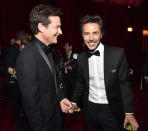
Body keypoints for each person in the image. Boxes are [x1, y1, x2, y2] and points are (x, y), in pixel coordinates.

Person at [71, 15, 139, 131]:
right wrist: (73, 101)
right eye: (86, 33)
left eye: (95, 33)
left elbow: (124, 84)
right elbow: (80, 83)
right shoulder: (81, 58)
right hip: (89, 109)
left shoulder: (118, 54)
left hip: (111, 109)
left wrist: (129, 112)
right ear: (82, 35)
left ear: (101, 34)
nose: (91, 38)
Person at [16, 4, 72, 131]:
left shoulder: (48, 51)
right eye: (57, 27)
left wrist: (60, 99)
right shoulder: (27, 56)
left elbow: (49, 86)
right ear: (41, 26)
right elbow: (31, 105)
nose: (61, 32)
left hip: (54, 118)